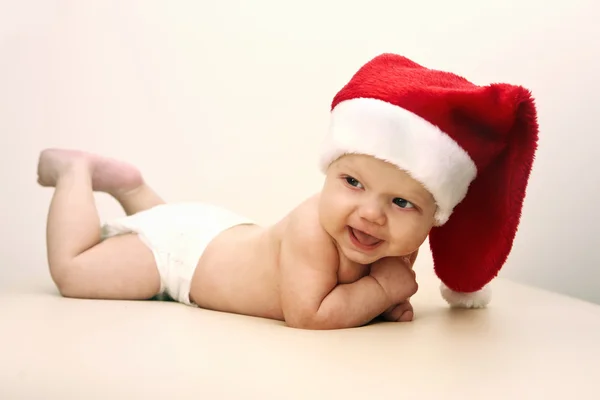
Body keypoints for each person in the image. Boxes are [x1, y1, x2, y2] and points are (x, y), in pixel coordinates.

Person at [37, 53, 539, 330]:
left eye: (401, 202)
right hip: (179, 259)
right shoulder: (310, 230)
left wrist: (382, 306)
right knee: (76, 271)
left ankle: (133, 187)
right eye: (353, 183)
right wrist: (383, 290)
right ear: (328, 172)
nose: (371, 213)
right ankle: (77, 172)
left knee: (168, 219)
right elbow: (309, 313)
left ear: (435, 217)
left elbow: (352, 296)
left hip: (211, 230)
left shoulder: (379, 243)